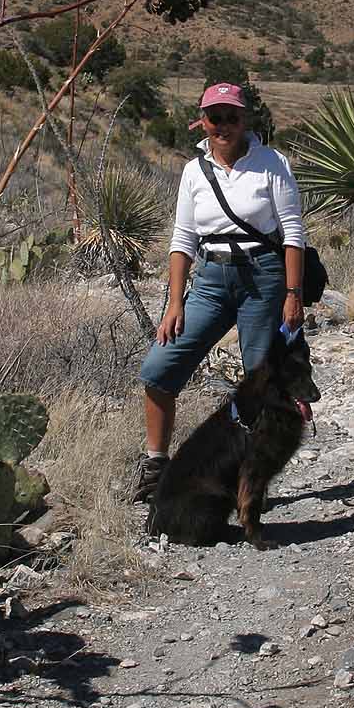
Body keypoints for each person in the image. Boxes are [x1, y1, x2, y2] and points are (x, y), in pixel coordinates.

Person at [130, 82, 307, 502]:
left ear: (246, 120)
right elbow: (182, 237)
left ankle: (251, 481)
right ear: (202, 120)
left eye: (232, 117)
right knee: (159, 368)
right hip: (210, 280)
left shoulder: (272, 163)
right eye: (215, 117)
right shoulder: (194, 170)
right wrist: (174, 302)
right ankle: (157, 465)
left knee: (260, 382)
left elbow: (293, 231)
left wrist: (293, 293)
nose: (223, 126)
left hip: (262, 277)